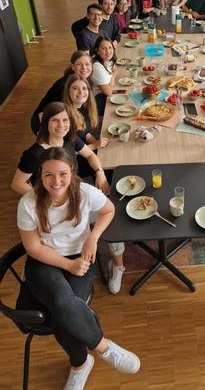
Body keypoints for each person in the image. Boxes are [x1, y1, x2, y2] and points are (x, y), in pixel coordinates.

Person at [17, 147, 140, 389]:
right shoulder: (28, 203)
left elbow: (108, 210)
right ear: (39, 176)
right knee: (63, 305)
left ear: (72, 172)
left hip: (81, 256)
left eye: (62, 174)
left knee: (62, 317)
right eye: (49, 175)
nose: (56, 181)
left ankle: (80, 364)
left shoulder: (84, 191)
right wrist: (68, 265)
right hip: (44, 260)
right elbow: (33, 248)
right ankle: (102, 347)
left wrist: (92, 238)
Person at [12, 102, 110, 196]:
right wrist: (41, 198)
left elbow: (89, 154)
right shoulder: (34, 154)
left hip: (74, 190)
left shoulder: (70, 139)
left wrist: (100, 172)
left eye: (65, 120)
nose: (61, 125)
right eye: (55, 120)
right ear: (46, 123)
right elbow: (17, 184)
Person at [30, 51, 93, 135]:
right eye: (79, 64)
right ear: (72, 66)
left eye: (87, 64)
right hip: (43, 121)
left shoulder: (86, 81)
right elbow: (44, 112)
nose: (84, 68)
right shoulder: (64, 86)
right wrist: (45, 135)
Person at [63, 74, 108, 151]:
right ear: (68, 91)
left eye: (84, 88)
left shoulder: (84, 107)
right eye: (75, 88)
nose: (81, 92)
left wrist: (99, 145)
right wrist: (94, 146)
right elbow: (67, 152)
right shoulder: (64, 116)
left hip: (89, 150)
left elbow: (86, 134)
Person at [91, 36, 117, 117]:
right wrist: (111, 83)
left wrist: (112, 79)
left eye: (110, 47)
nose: (108, 51)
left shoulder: (107, 60)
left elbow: (115, 70)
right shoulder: (96, 66)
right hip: (98, 101)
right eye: (104, 48)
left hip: (105, 95)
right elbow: (108, 92)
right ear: (97, 51)